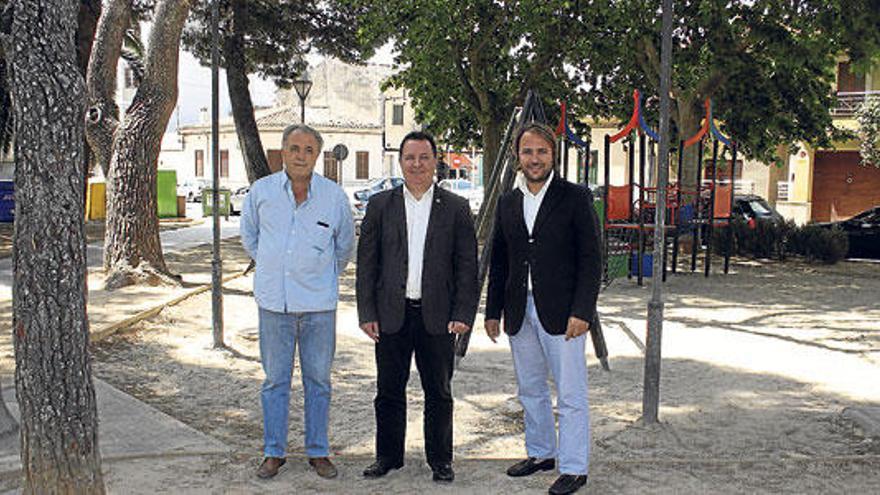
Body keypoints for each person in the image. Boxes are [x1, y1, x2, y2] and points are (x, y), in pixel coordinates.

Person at [484, 122, 602, 495]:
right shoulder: (508, 201)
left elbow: (591, 258)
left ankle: (574, 467)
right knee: (530, 388)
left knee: (569, 393)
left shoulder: (574, 197)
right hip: (520, 310)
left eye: (541, 152)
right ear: (518, 157)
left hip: (564, 313)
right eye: (527, 152)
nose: (534, 159)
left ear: (553, 155)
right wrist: (492, 311)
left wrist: (582, 310)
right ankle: (541, 453)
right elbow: (500, 259)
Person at [356, 131, 478, 483]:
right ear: (400, 162)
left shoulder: (455, 208)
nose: (417, 164)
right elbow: (368, 263)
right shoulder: (381, 205)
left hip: (438, 317)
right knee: (388, 391)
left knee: (438, 392)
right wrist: (367, 313)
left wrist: (463, 313)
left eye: (424, 157)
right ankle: (388, 457)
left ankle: (440, 459)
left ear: (435, 161)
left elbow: (466, 265)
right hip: (391, 314)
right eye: (410, 158)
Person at [240, 123, 355, 480]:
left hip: (319, 306)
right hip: (274, 305)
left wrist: (319, 275)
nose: (301, 156)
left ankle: (318, 451)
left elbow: (345, 247)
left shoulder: (334, 197)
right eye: (294, 148)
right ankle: (274, 451)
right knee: (275, 381)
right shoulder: (261, 193)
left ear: (317, 155)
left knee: (318, 380)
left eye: (308, 150)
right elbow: (251, 238)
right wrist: (276, 267)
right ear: (283, 152)